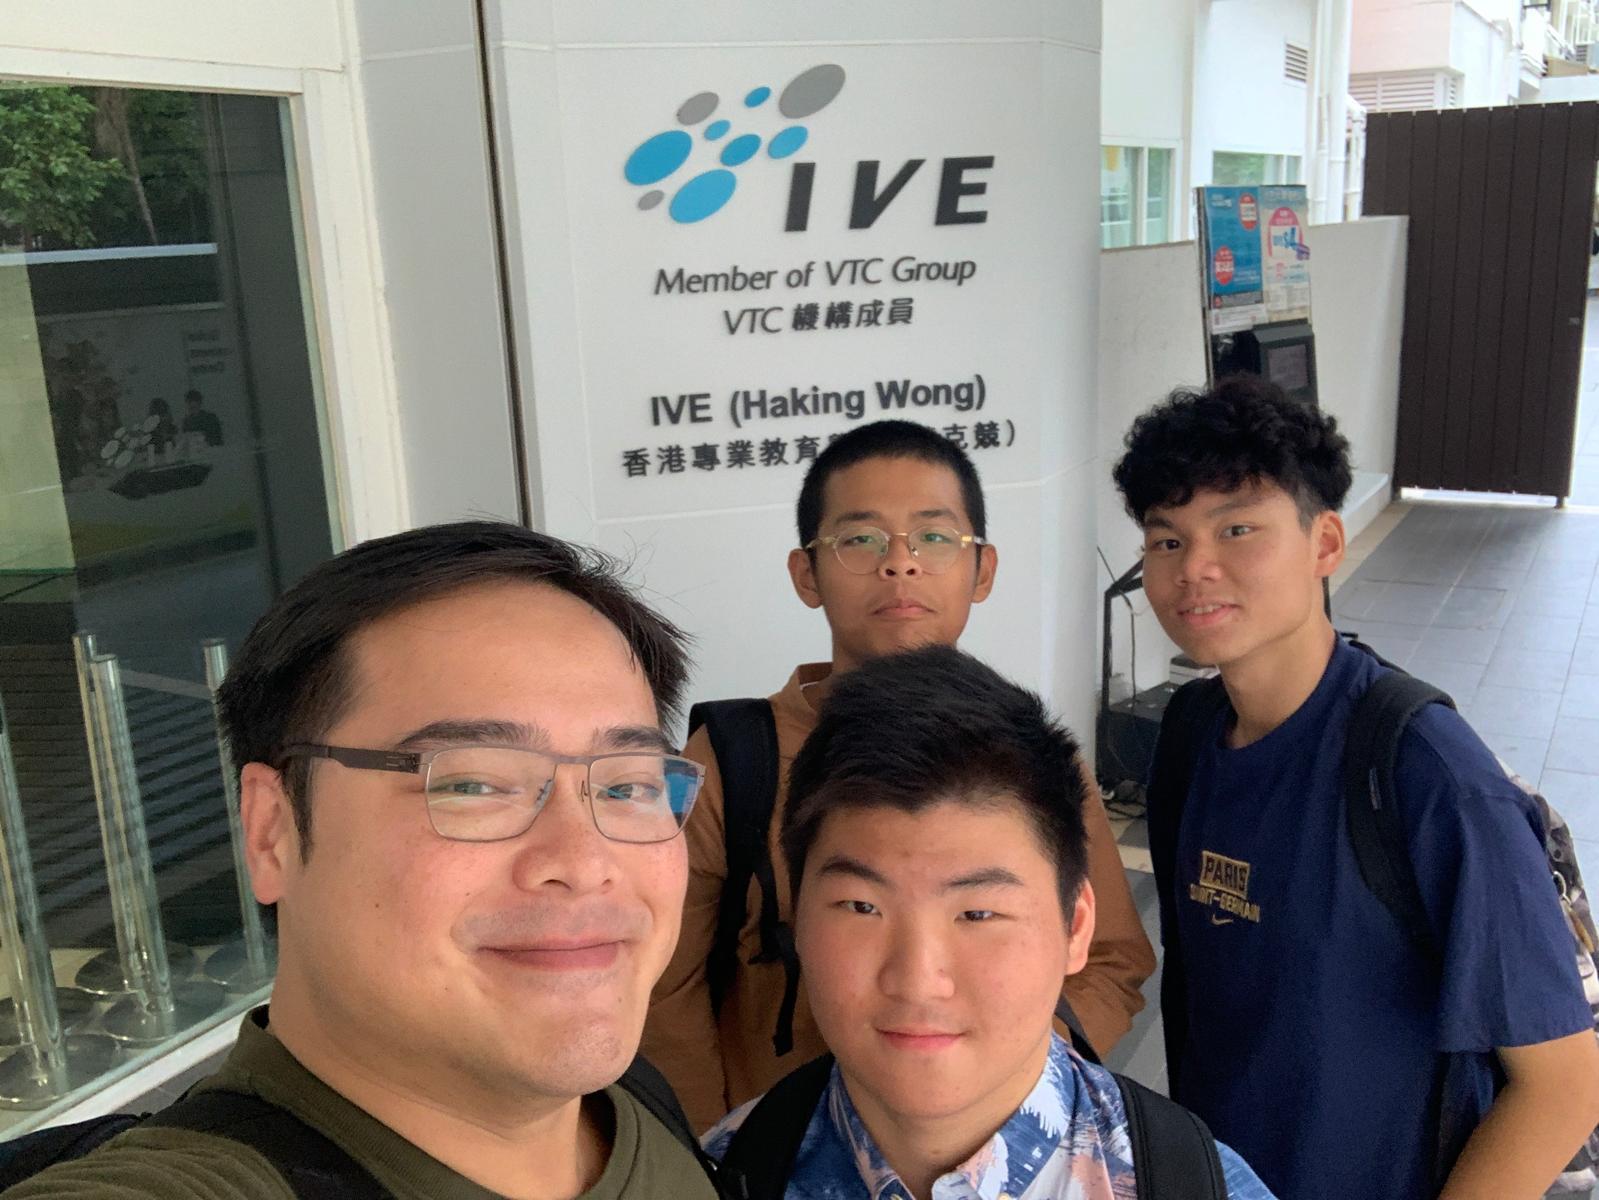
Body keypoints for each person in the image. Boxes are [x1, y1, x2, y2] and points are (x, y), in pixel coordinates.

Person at [2, 521, 718, 1199]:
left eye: (628, 785)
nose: (585, 861)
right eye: (471, 784)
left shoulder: (632, 1101)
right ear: (272, 831)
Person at [1113, 375, 1599, 1200]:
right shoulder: (1190, 735)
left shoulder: (1425, 775)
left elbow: (1561, 1085)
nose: (1194, 568)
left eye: (1237, 529)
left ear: (1325, 544)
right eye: (1165, 540)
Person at [643, 419, 1156, 1132]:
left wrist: (998, 1076)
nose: (900, 564)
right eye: (860, 539)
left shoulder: (1033, 759)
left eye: (934, 537)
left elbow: (1110, 958)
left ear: (982, 571)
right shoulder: (730, 763)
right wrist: (715, 1151)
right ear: (806, 575)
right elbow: (664, 991)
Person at [703, 645, 1276, 1200]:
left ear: (1075, 927)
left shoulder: (1194, 1186)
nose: (917, 980)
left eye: (977, 913)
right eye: (862, 906)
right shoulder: (716, 1175)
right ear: (799, 919)